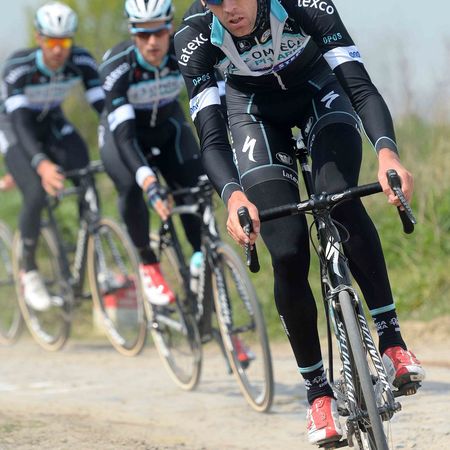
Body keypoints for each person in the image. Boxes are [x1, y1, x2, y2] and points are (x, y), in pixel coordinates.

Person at [174, 0, 425, 445]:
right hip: (253, 115)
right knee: (287, 249)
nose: (228, 9)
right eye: (215, 1)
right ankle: (317, 394)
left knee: (340, 198)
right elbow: (211, 139)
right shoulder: (194, 36)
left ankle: (392, 342)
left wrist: (387, 151)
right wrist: (233, 197)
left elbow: (359, 86)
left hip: (318, 91)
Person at [99, 0, 204, 306]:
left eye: (158, 33)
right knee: (131, 185)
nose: (152, 42)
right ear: (132, 33)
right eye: (143, 34)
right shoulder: (117, 65)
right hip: (125, 137)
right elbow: (125, 136)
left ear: (170, 27)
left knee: (195, 189)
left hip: (168, 128)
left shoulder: (183, 50)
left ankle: (202, 261)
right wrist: (149, 182)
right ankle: (148, 263)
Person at [2, 1, 105, 311]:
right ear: (39, 38)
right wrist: (42, 164)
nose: (58, 50)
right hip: (13, 128)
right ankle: (29, 270)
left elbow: (103, 108)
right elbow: (20, 124)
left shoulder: (80, 60)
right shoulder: (19, 67)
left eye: (64, 42)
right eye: (51, 42)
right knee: (35, 190)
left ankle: (97, 261)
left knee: (85, 174)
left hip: (52, 122)